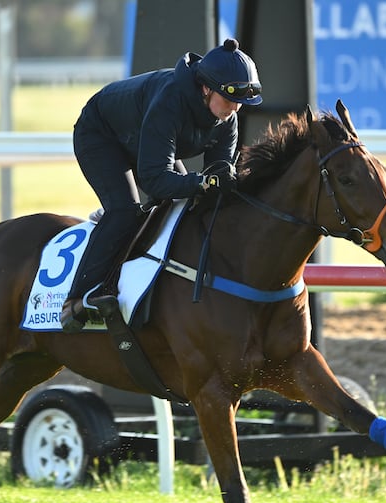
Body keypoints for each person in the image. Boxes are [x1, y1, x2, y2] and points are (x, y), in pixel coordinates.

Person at [60, 38, 263, 333]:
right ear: (206, 88)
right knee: (125, 211)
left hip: (141, 137)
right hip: (101, 134)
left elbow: (217, 174)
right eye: (229, 99)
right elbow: (157, 179)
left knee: (183, 206)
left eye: (240, 102)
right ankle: (78, 299)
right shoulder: (171, 100)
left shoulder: (227, 117)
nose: (233, 109)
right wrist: (203, 182)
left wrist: (224, 182)